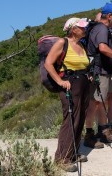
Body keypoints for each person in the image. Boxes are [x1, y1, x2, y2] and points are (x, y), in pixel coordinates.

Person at [45, 17, 90, 172]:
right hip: (69, 84)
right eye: (81, 27)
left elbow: (83, 65)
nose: (85, 29)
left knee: (81, 117)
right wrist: (59, 81)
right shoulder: (62, 43)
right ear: (73, 29)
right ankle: (62, 158)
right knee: (71, 119)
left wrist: (88, 75)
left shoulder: (81, 44)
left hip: (83, 83)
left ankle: (73, 152)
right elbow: (48, 63)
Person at [84, 3, 112, 148]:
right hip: (99, 71)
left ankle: (104, 131)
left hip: (105, 71)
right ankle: (89, 134)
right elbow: (102, 48)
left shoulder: (104, 29)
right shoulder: (102, 29)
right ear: (110, 16)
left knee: (101, 102)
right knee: (95, 103)